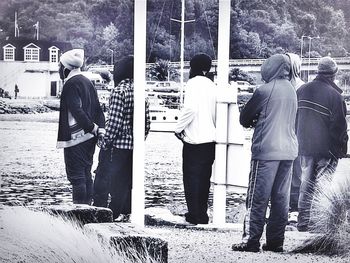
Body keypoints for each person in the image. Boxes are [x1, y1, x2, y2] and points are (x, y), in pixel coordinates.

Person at [232, 54, 298, 252]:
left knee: (257, 197)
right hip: (288, 151)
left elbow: (245, 118)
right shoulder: (292, 90)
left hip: (266, 151)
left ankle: (250, 241)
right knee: (280, 199)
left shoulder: (264, 91)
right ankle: (276, 242)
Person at [93, 55, 151, 222]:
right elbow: (147, 123)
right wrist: (138, 140)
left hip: (118, 146)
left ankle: (113, 214)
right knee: (129, 181)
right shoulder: (141, 92)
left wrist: (104, 142)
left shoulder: (119, 91)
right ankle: (127, 213)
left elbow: (114, 122)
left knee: (114, 182)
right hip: (135, 147)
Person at [296, 56, 348, 232]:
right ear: (333, 75)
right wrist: (340, 150)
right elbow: (340, 128)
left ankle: (302, 223)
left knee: (305, 184)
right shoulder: (335, 96)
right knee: (322, 186)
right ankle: (317, 226)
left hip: (304, 147)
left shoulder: (301, 90)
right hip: (326, 150)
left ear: (318, 71)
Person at [57, 49, 105, 204]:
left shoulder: (70, 84)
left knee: (77, 177)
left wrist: (91, 127)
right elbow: (99, 110)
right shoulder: (87, 82)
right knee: (86, 174)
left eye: (60, 66)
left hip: (75, 138)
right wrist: (99, 130)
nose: (59, 69)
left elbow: (76, 110)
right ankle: (88, 210)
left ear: (66, 68)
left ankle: (79, 214)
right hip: (90, 138)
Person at [174, 53, 216, 225]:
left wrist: (178, 129)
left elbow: (190, 109)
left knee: (191, 178)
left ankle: (194, 215)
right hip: (210, 139)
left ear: (193, 67)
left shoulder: (192, 83)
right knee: (205, 179)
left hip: (193, 139)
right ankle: (203, 214)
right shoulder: (212, 85)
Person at [286, 53, 305, 221]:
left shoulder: (300, 87)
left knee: (295, 173)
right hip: (292, 133)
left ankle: (293, 208)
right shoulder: (301, 86)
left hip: (295, 134)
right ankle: (289, 208)